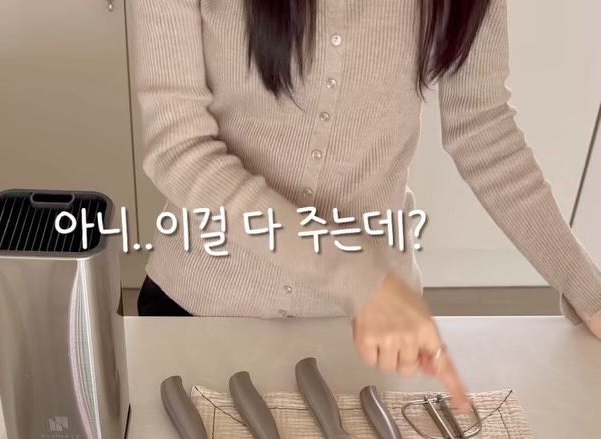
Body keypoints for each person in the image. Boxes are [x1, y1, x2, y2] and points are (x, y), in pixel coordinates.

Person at [130, 0, 601, 409]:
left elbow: (483, 131)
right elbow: (178, 150)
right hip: (202, 307)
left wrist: (589, 291)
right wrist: (356, 273)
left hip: (366, 334)